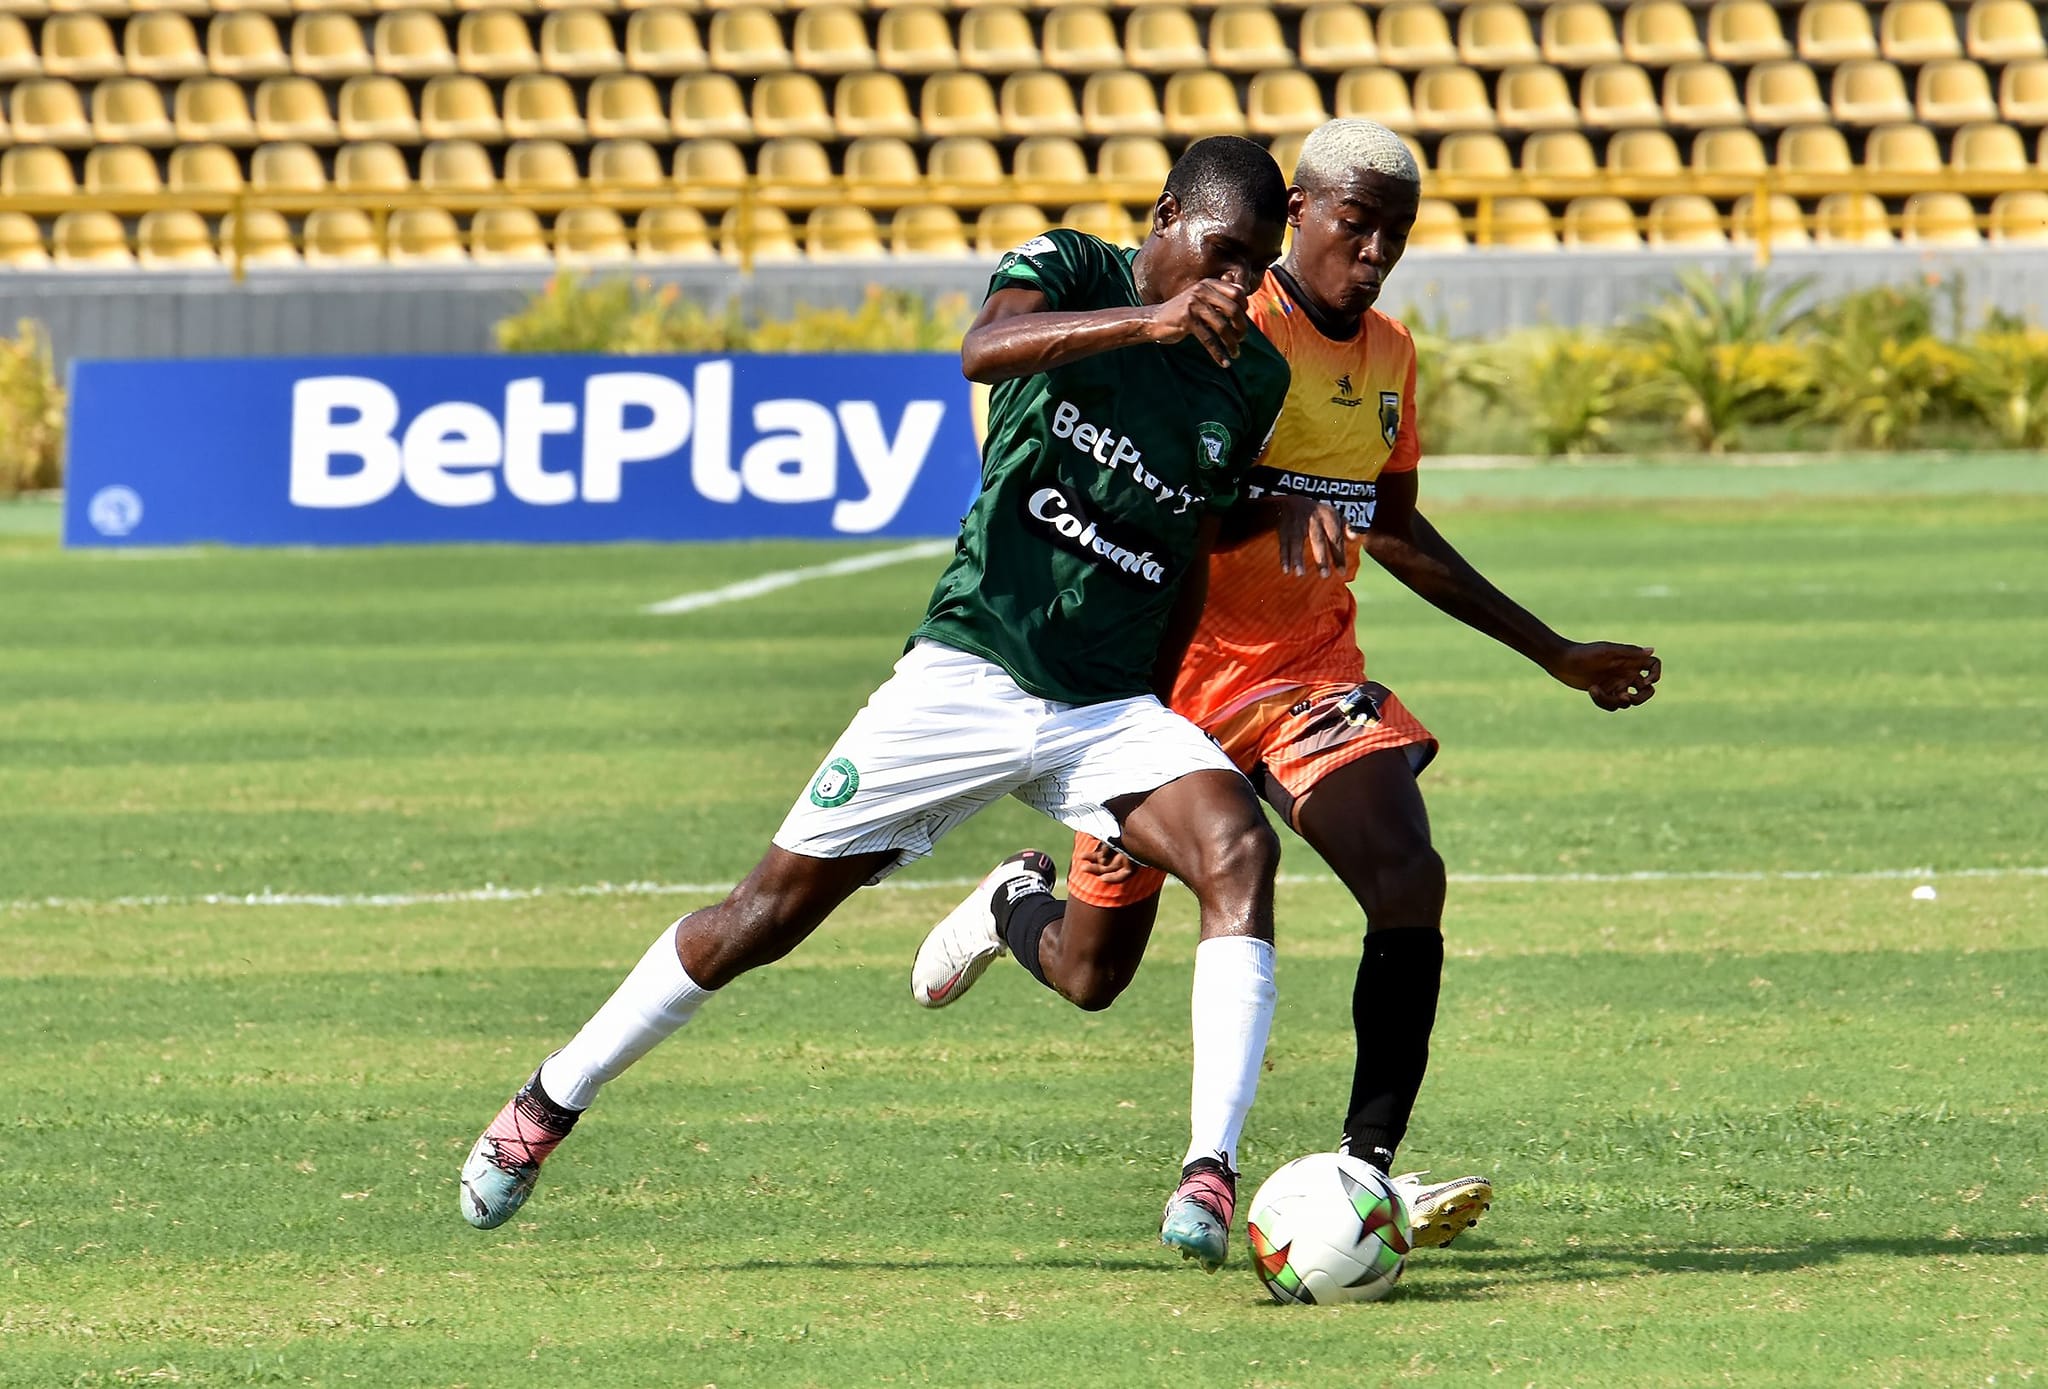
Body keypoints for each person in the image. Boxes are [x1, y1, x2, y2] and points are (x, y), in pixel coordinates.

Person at [458, 136, 1298, 1265]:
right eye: (1224, 255)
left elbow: (1189, 541)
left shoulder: (1252, 379)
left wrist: (1158, 722)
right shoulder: (1073, 270)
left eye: (1258, 264)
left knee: (1236, 847)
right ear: (1163, 220)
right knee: (760, 918)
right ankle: (549, 1101)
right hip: (969, 672)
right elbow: (982, 350)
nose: (1240, 287)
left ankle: (1208, 1169)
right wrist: (1143, 326)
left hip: (1103, 707)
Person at [911, 119, 1663, 1268]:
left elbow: (1392, 530)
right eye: (1353, 226)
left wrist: (1550, 650)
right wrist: (1266, 513)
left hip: (1301, 677)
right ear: (1294, 216)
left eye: (1393, 236)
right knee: (1088, 973)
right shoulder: (1216, 321)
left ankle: (1363, 1174)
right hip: (1153, 680)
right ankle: (1012, 905)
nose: (1371, 254)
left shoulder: (1387, 358)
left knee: (1407, 877)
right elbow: (1140, 495)